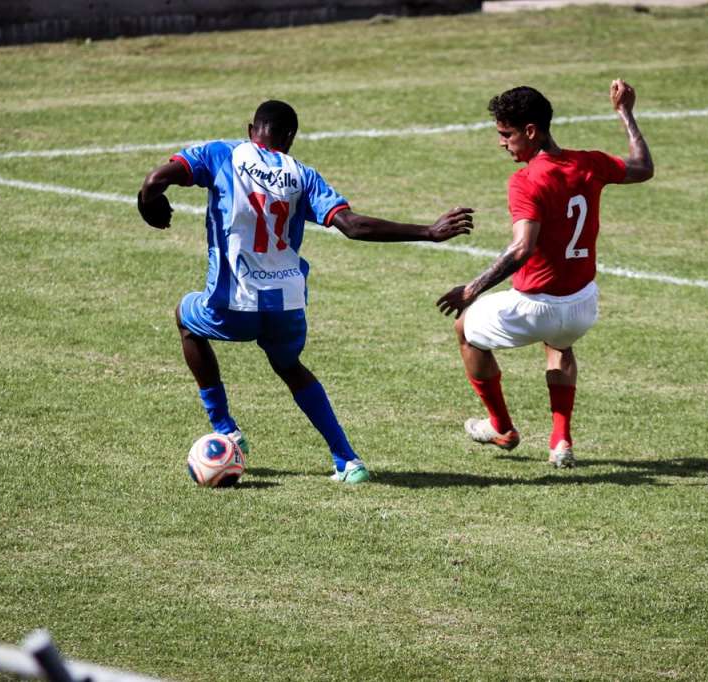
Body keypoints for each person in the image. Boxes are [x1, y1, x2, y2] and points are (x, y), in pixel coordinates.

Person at [138, 100, 474, 484]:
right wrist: (428, 232)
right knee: (288, 366)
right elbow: (352, 226)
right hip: (287, 305)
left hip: (233, 305)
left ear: (252, 130)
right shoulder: (303, 175)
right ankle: (347, 460)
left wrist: (150, 203)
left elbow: (155, 180)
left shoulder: (220, 154)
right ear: (291, 138)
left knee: (186, 318)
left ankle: (226, 428)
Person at [436, 80, 653, 468]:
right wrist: (626, 112)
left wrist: (471, 288)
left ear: (530, 131)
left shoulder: (527, 180)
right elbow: (643, 167)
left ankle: (501, 427)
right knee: (560, 345)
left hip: (535, 307)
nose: (502, 143)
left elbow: (522, 248)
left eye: (507, 134)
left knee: (465, 330)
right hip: (583, 306)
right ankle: (561, 441)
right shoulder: (589, 162)